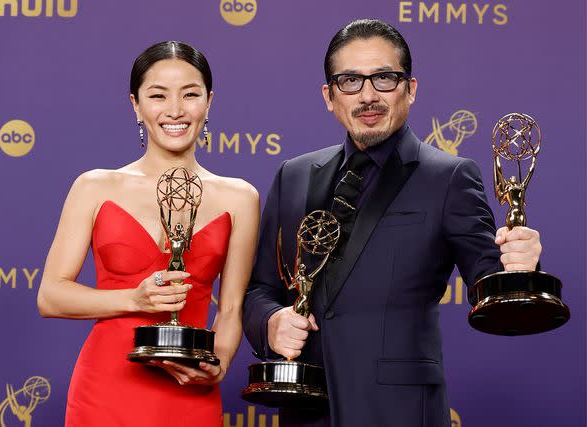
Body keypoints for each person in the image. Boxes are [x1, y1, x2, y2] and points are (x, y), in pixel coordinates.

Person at [242, 19, 542, 427]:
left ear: (410, 90)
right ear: (329, 96)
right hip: (308, 409)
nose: (368, 96)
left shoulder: (449, 177)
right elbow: (261, 288)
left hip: (399, 412)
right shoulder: (293, 174)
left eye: (384, 78)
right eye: (350, 81)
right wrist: (271, 323)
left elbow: (489, 288)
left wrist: (521, 270)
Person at [37, 41, 260, 427]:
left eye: (190, 94)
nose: (175, 110)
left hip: (189, 389)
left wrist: (219, 361)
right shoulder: (95, 186)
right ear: (136, 105)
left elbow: (231, 308)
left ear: (209, 102)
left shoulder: (240, 197)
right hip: (106, 387)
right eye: (158, 95)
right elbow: (52, 296)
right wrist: (135, 297)